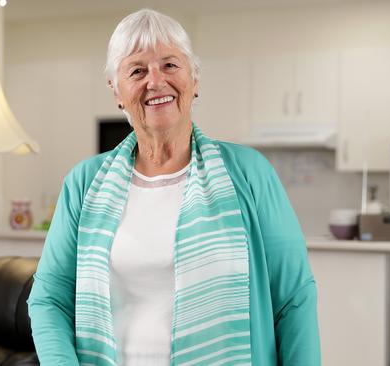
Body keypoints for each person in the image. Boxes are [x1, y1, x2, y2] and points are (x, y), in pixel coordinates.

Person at [28, 8, 321, 366]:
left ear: (194, 79)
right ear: (116, 90)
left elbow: (294, 298)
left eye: (170, 65)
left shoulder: (250, 174)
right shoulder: (83, 184)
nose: (155, 81)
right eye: (137, 70)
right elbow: (49, 299)